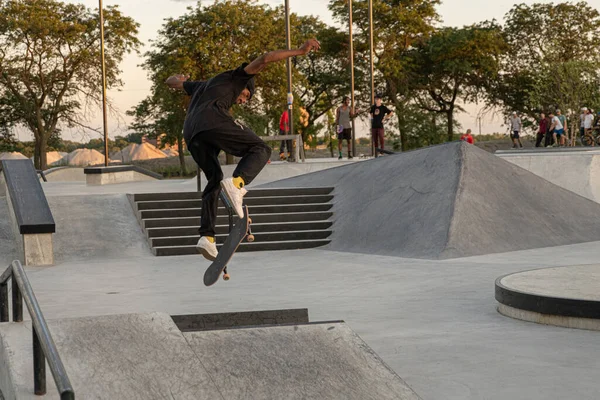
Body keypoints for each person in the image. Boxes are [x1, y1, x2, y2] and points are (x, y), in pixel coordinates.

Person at [165, 38, 321, 260]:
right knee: (261, 148)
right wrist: (299, 51)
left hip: (191, 133)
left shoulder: (201, 85)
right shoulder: (237, 77)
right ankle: (237, 185)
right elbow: (265, 58)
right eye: (246, 96)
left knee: (214, 178)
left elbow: (171, 82)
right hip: (212, 120)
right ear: (244, 87)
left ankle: (207, 238)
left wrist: (178, 79)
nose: (243, 101)